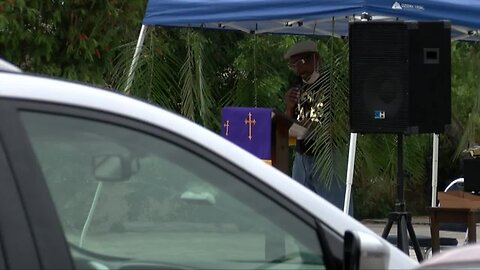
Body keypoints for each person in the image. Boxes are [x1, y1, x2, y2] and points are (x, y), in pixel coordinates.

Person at [283, 40, 351, 214]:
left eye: (300, 63)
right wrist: (289, 107)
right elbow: (289, 130)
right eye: (293, 66)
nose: (298, 70)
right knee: (302, 211)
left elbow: (342, 122)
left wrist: (315, 129)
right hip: (301, 156)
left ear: (314, 59)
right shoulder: (298, 87)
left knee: (334, 210)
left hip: (327, 156)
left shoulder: (332, 85)